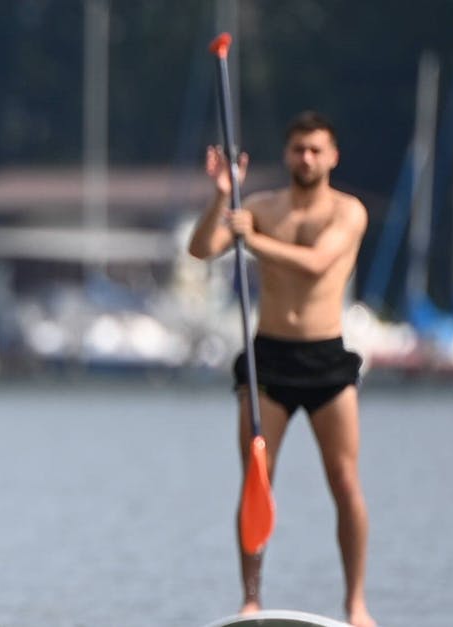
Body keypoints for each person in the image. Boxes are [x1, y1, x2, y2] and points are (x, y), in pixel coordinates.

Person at [187, 111, 375, 627]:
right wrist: (223, 196)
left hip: (326, 360)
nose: (307, 158)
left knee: (344, 481)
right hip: (268, 357)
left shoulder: (347, 213)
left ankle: (355, 604)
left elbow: (316, 264)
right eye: (298, 149)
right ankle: (251, 598)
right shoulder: (261, 207)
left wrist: (252, 239)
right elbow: (202, 248)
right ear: (287, 154)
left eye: (316, 150)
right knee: (256, 478)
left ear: (332, 156)